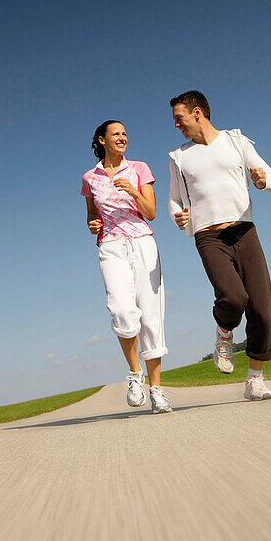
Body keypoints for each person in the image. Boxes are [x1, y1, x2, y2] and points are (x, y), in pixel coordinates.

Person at [168, 91, 271, 400]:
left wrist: (262, 180)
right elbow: (176, 199)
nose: (177, 125)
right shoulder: (180, 157)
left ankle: (255, 379)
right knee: (233, 298)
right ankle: (224, 332)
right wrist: (178, 215)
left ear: (198, 113)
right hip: (208, 236)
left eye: (180, 118)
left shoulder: (236, 141)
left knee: (261, 307)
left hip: (244, 230)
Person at [81, 120, 172, 414]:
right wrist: (92, 224)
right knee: (121, 308)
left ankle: (156, 390)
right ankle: (135, 374)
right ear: (102, 140)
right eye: (115, 134)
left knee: (151, 314)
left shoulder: (139, 168)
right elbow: (92, 217)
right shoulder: (89, 178)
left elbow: (152, 212)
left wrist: (133, 191)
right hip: (111, 247)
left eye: (124, 134)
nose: (122, 138)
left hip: (142, 242)